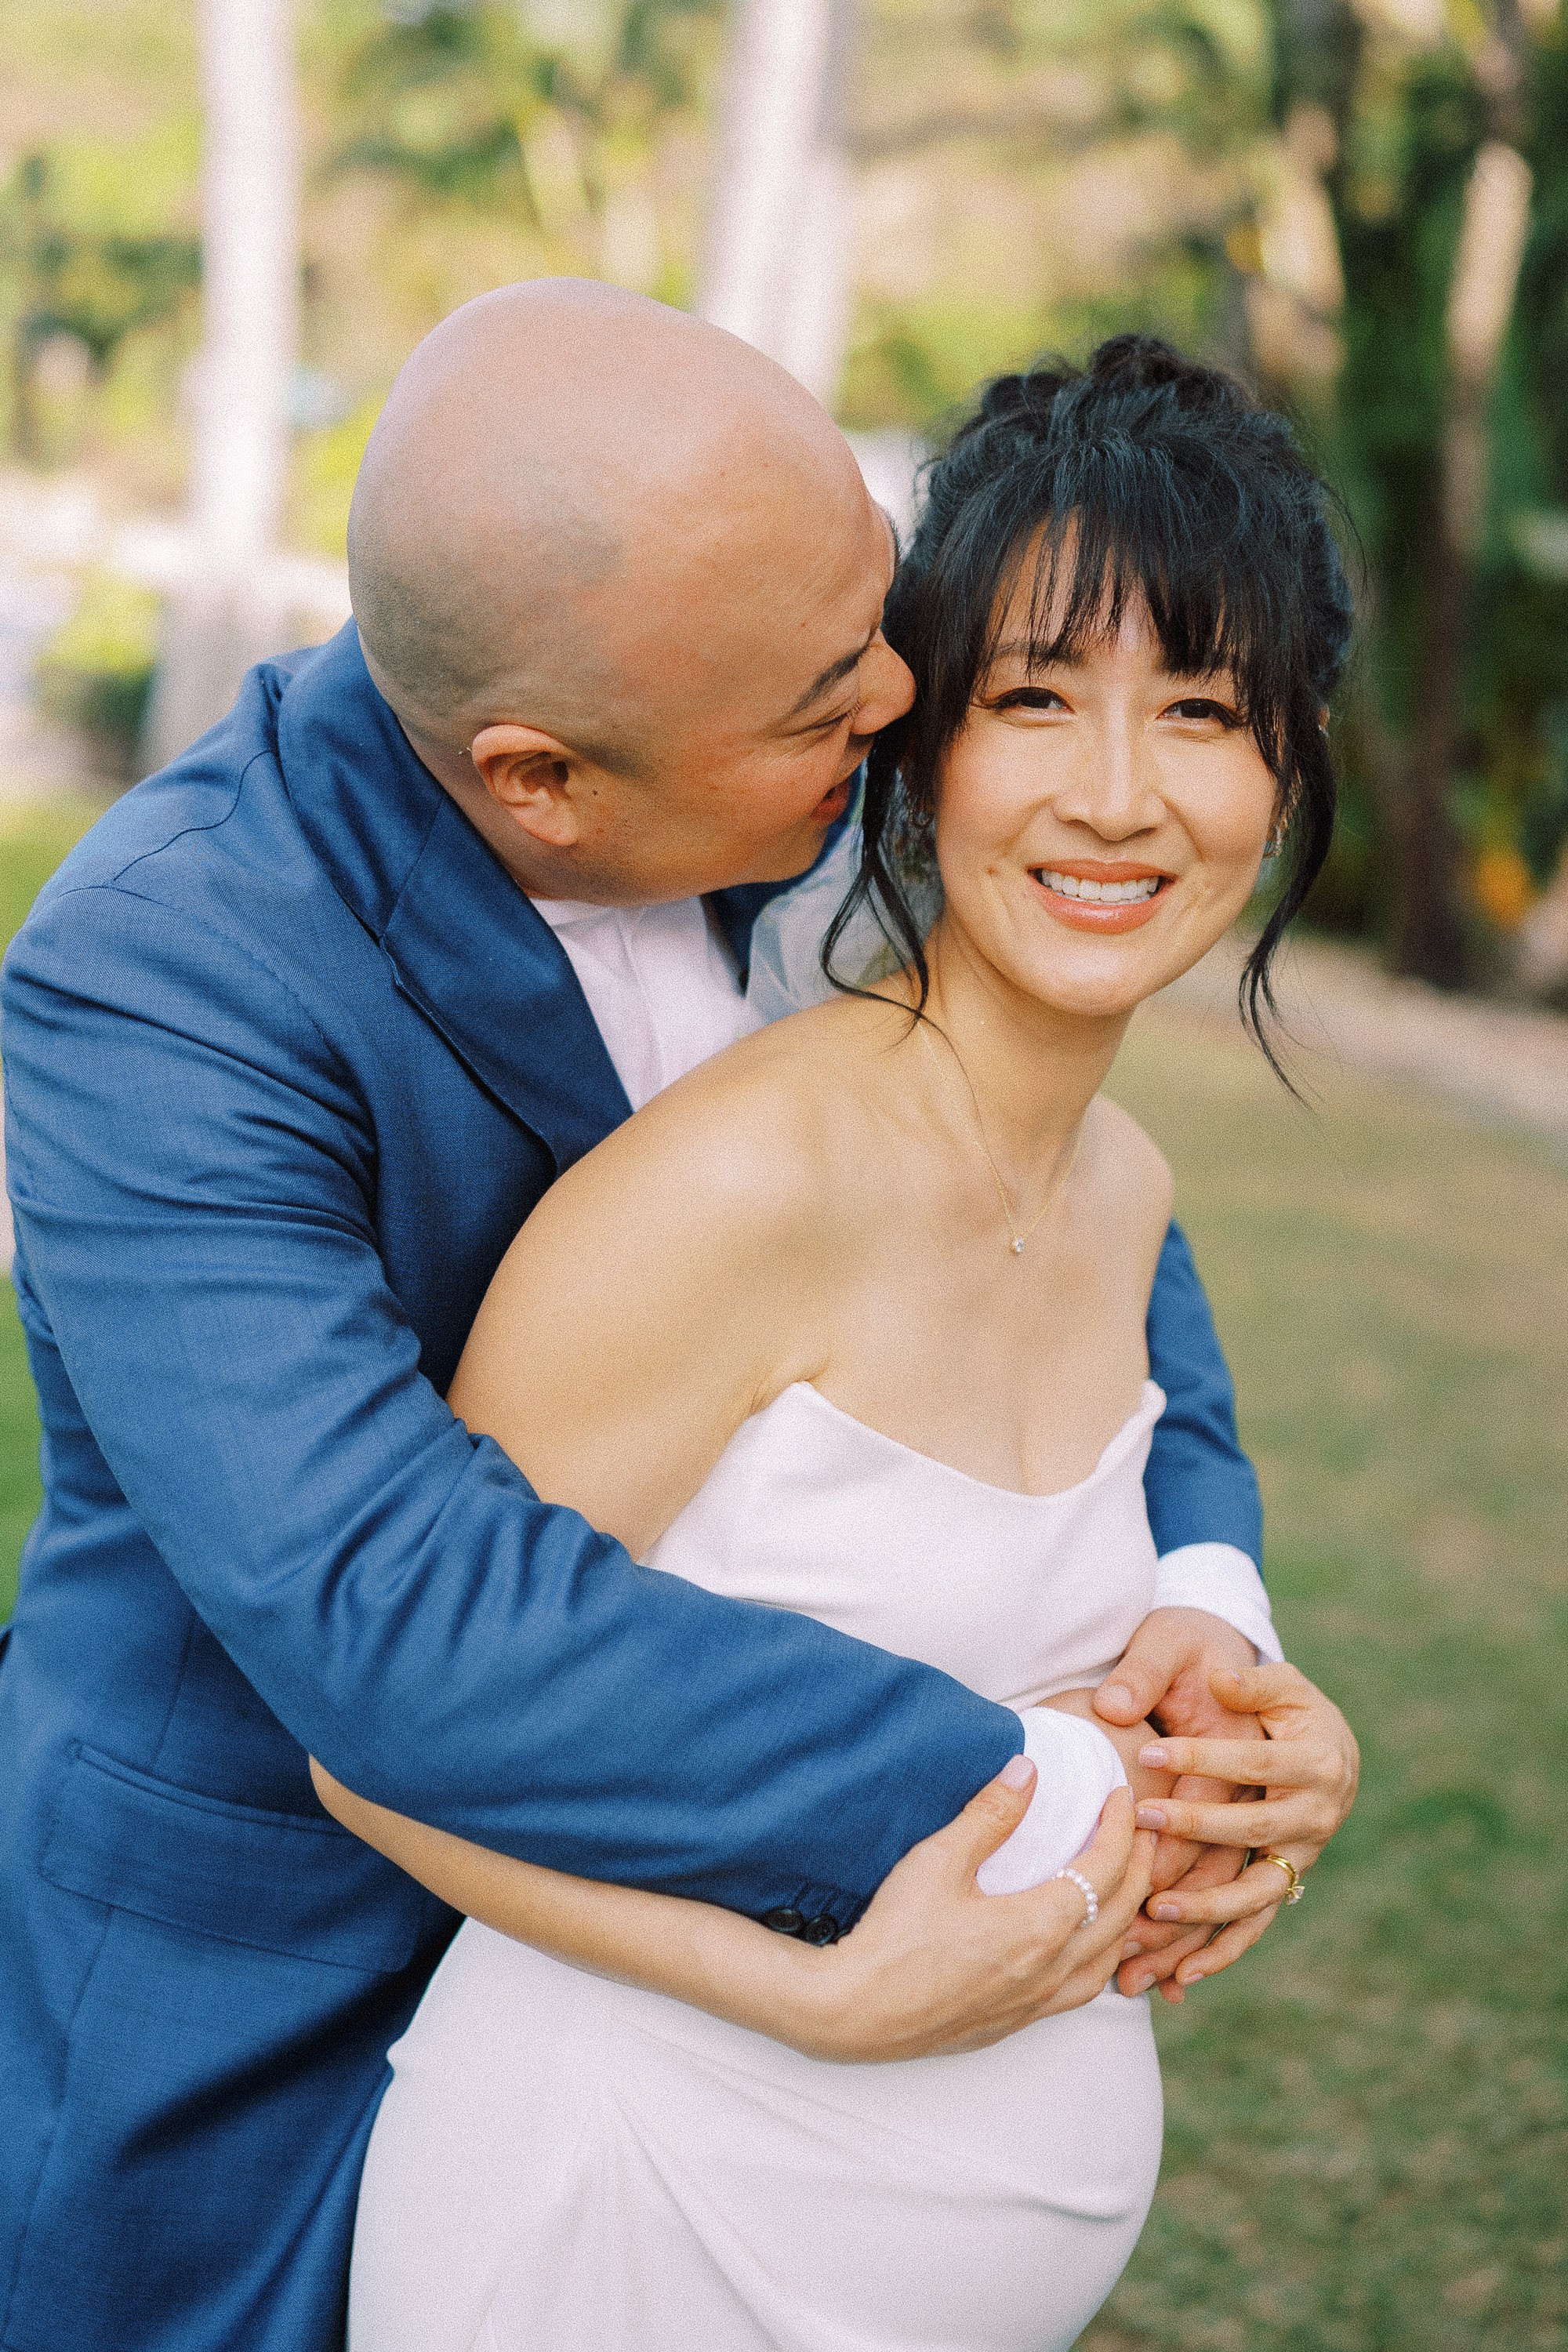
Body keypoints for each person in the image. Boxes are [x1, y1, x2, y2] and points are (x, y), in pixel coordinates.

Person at [0, 285, 1353, 2352]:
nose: (906, 700)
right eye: (842, 696)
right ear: (542, 780)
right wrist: (1061, 1799)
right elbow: (393, 1612)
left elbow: (1043, 1189)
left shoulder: (758, 734)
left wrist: (1210, 1598)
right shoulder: (170, 980)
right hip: (264, 1948)